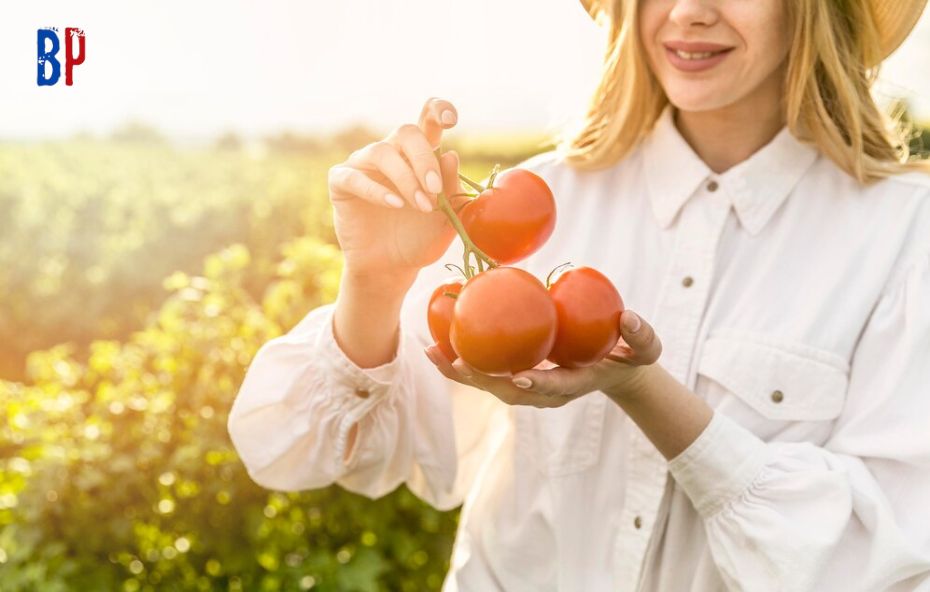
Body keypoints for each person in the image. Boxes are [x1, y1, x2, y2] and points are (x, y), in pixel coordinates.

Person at [228, 0, 930, 589]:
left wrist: (645, 390)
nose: (688, 13)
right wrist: (374, 285)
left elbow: (884, 556)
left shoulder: (903, 234)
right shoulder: (532, 205)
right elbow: (293, 452)